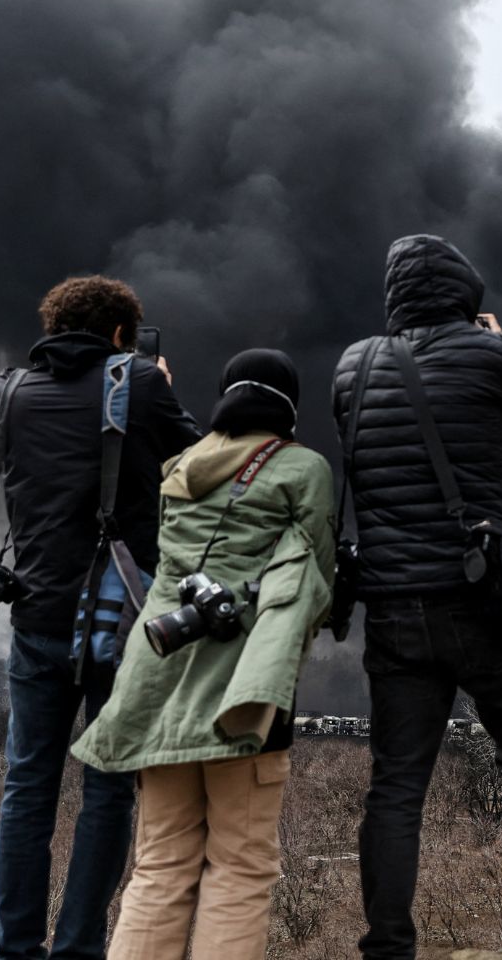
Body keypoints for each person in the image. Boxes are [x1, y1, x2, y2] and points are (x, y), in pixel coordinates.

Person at [331, 234, 502, 960]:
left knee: (396, 788)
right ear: (464, 294)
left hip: (393, 607)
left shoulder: (353, 366)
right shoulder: (492, 353)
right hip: (483, 600)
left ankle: (386, 949)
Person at [73, 348, 334, 960]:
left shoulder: (180, 467)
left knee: (160, 864)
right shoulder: (304, 468)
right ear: (288, 407)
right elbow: (316, 581)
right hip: (243, 692)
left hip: (156, 680)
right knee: (240, 867)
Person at [0, 276, 200, 960]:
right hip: (115, 622)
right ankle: (77, 950)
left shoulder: (6, 393)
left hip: (34, 619)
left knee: (26, 790)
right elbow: (198, 461)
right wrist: (153, 381)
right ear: (119, 335)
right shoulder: (138, 384)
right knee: (107, 794)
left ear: (52, 329)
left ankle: (14, 950)